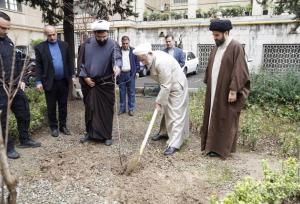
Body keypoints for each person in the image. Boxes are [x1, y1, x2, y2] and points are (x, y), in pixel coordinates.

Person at [201, 19, 250, 159]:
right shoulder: (217, 47)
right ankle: (211, 147)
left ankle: (221, 149)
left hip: (227, 91)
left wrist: (234, 90)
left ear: (226, 33)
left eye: (217, 35)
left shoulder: (236, 47)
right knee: (212, 117)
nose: (214, 38)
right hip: (214, 89)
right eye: (213, 35)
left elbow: (240, 69)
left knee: (225, 118)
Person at [133, 42, 189, 156]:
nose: (142, 62)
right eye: (141, 60)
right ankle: (164, 132)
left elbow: (166, 85)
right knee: (166, 111)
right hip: (167, 85)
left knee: (175, 114)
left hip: (176, 86)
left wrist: (158, 101)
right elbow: (164, 84)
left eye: (143, 59)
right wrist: (161, 101)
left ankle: (175, 144)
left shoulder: (161, 62)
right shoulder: (152, 57)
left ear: (149, 53)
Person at [0, 11, 41, 159]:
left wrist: (22, 79)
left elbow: (17, 62)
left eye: (7, 28)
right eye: (2, 28)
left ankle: (24, 139)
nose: (5, 31)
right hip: (1, 87)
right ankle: (8, 147)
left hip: (15, 85)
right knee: (3, 118)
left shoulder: (8, 41)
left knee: (23, 110)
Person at [78, 20, 122, 146]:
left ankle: (106, 135)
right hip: (90, 83)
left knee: (106, 110)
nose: (102, 39)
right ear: (94, 34)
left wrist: (117, 67)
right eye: (99, 37)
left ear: (108, 34)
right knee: (89, 109)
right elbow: (81, 63)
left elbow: (117, 58)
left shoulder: (113, 44)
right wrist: (85, 77)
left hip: (105, 84)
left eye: (104, 36)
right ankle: (89, 133)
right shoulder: (86, 44)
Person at [35, 25, 75, 137]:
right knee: (51, 106)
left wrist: (72, 75)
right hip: (49, 82)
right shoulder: (40, 48)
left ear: (56, 33)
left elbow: (69, 61)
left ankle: (63, 126)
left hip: (63, 81)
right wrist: (38, 81)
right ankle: (53, 127)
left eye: (53, 34)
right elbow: (38, 66)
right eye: (49, 35)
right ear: (45, 35)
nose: (52, 37)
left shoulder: (64, 45)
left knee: (63, 105)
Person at [151, 34, 186, 141]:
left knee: (174, 111)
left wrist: (172, 70)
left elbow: (182, 63)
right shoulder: (162, 52)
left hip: (175, 83)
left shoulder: (179, 52)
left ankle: (175, 137)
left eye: (170, 41)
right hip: (164, 84)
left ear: (174, 41)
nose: (168, 43)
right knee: (164, 109)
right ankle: (163, 132)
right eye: (166, 41)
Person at [118, 36, 139, 116]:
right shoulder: (118, 51)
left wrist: (137, 72)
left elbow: (137, 62)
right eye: (124, 43)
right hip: (121, 74)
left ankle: (131, 109)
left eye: (127, 43)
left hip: (130, 74)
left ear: (129, 42)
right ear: (121, 43)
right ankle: (122, 109)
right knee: (121, 92)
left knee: (131, 93)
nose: (125, 45)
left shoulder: (133, 51)